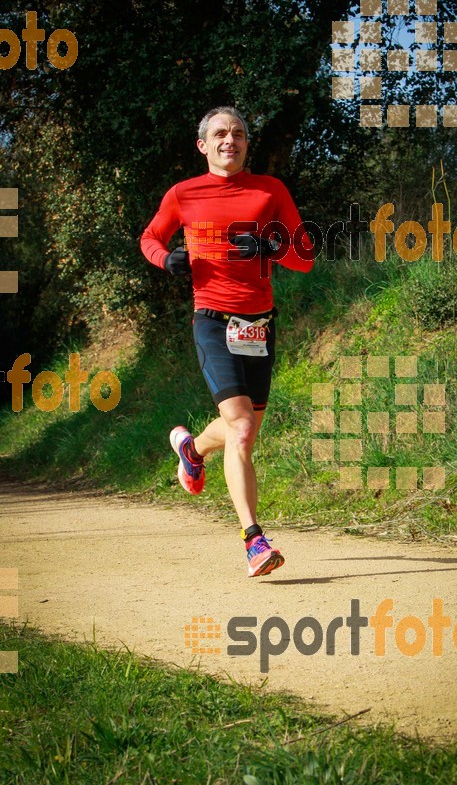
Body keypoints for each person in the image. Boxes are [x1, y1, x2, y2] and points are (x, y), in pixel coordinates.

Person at [140, 106, 313, 577]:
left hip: (259, 323)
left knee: (244, 428)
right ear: (203, 145)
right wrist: (166, 259)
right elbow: (150, 237)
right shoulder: (184, 194)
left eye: (237, 133)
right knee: (239, 428)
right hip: (212, 320)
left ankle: (191, 450)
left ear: (246, 144)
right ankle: (254, 541)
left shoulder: (270, 191)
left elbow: (305, 257)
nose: (229, 140)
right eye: (219, 133)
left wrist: (271, 247)